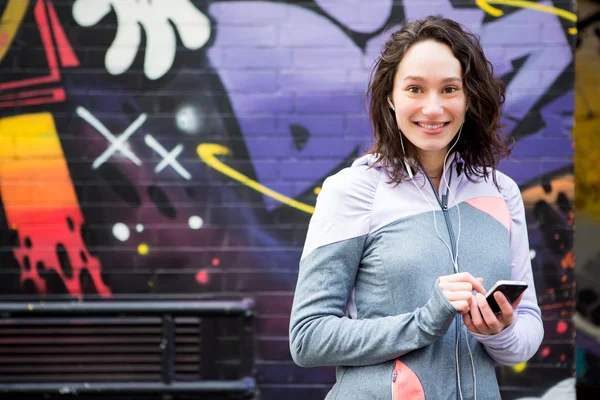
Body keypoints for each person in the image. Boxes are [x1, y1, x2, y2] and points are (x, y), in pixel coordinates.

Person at [289, 16, 544, 400]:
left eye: (449, 89)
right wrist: (424, 322)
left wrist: (499, 333)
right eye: (415, 89)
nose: (432, 107)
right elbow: (308, 337)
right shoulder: (352, 191)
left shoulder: (500, 191)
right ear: (390, 97)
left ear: (469, 97)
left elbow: (528, 326)